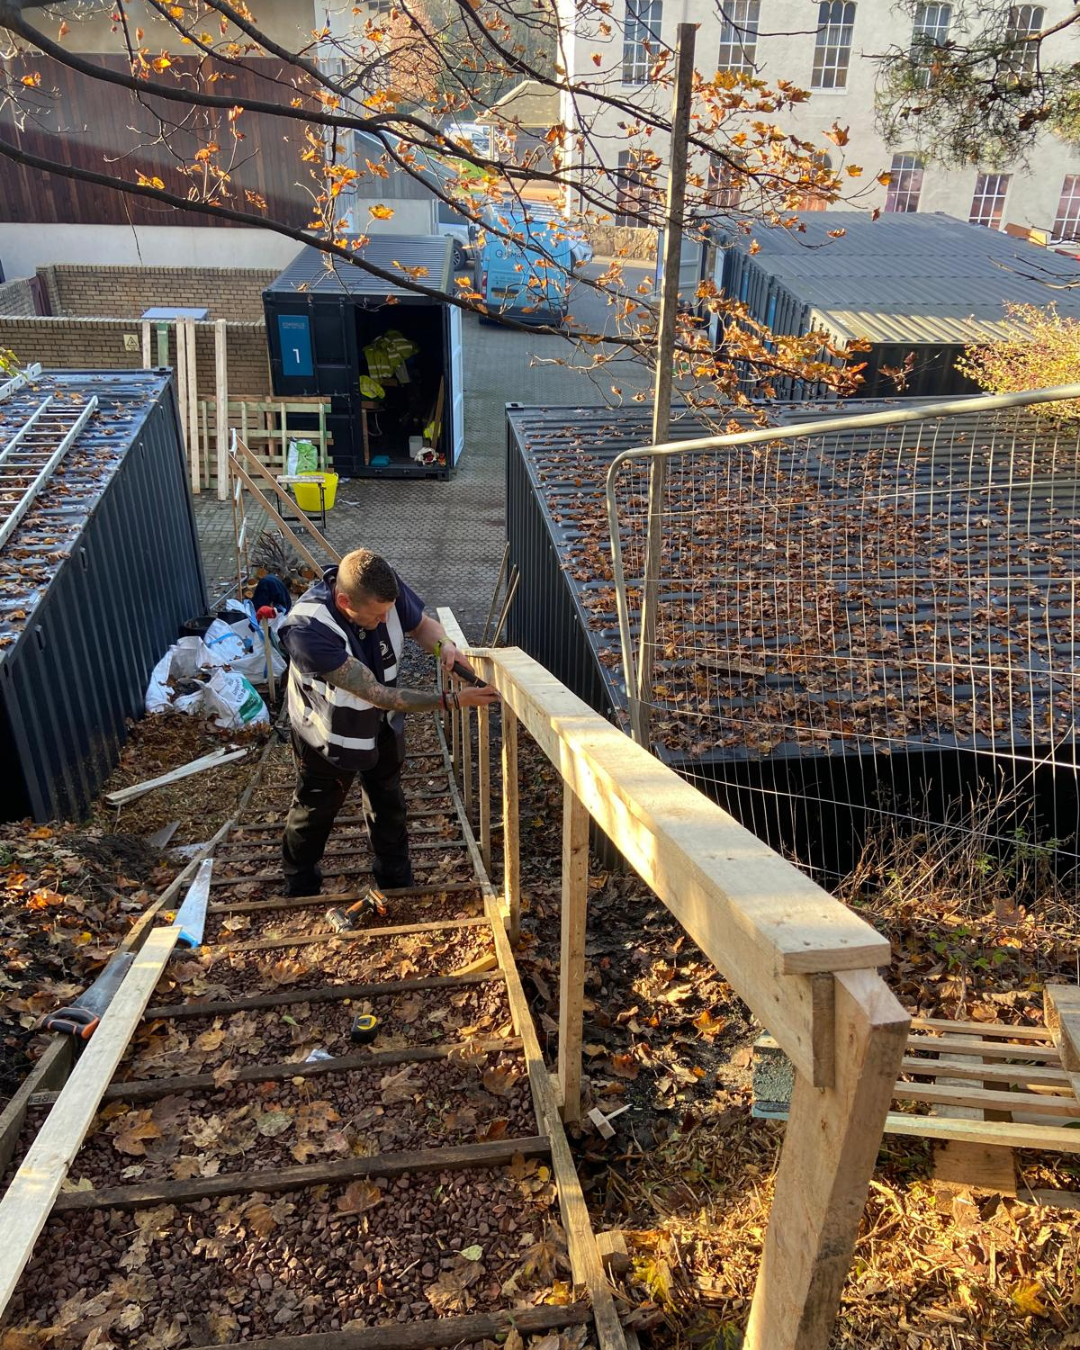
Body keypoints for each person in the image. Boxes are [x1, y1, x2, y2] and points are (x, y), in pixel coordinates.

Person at [277, 548, 499, 897]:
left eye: (388, 613)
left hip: (381, 725)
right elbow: (377, 693)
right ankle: (300, 883)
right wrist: (452, 701)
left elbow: (422, 625)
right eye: (375, 616)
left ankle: (395, 880)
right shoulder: (307, 628)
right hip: (327, 733)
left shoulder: (383, 587)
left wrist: (444, 644)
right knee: (315, 810)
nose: (384, 622)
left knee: (388, 801)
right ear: (345, 600)